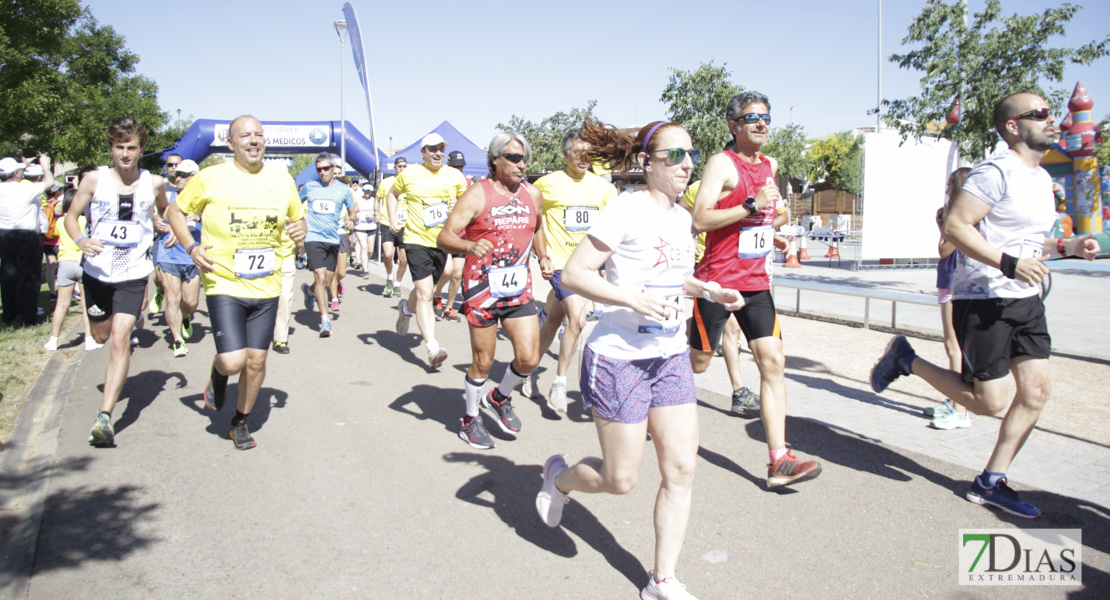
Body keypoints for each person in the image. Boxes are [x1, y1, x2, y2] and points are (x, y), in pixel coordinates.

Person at [536, 119, 741, 600]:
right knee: (620, 478)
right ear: (648, 163)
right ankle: (559, 479)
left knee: (681, 469)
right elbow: (575, 272)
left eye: (691, 155)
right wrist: (630, 300)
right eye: (674, 156)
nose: (686, 164)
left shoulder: (681, 216)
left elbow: (672, 277)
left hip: (668, 357)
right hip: (619, 359)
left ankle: (661, 580)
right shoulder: (624, 209)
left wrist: (707, 288)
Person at [870, 92, 1100, 519]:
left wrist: (1067, 245)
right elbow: (956, 227)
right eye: (1041, 114)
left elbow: (1030, 243)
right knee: (988, 402)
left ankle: (991, 481)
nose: (1052, 121)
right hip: (985, 300)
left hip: (1025, 300)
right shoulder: (995, 173)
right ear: (1014, 126)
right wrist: (1009, 263)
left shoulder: (1039, 178)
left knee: (1036, 392)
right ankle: (906, 359)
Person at [688, 91, 822, 489]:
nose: (761, 124)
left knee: (773, 361)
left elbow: (770, 211)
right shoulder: (721, 164)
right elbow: (699, 219)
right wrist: (750, 205)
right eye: (751, 118)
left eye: (766, 117)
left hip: (757, 283)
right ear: (734, 125)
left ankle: (778, 459)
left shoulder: (770, 165)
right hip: (716, 282)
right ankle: (652, 384)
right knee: (697, 363)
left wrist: (769, 230)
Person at [166, 115, 306, 450]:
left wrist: (300, 230)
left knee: (256, 360)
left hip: (266, 285)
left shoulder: (282, 179)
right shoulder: (210, 177)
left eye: (259, 135)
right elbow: (175, 212)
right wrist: (191, 246)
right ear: (231, 144)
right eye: (245, 136)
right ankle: (218, 373)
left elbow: (297, 218)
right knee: (232, 361)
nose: (254, 140)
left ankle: (240, 421)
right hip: (225, 282)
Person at [437, 132, 552, 449]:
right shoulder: (477, 195)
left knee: (529, 358)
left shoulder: (534, 194)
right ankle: (469, 420)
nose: (521, 164)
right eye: (514, 158)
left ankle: (499, 396)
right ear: (495, 160)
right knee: (483, 363)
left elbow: (537, 226)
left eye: (524, 158)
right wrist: (469, 244)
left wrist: (542, 255)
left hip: (518, 290)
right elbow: (444, 237)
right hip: (482, 290)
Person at [64, 116, 168, 446]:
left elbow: (166, 212)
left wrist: (164, 226)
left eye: (132, 148)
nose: (125, 154)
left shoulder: (154, 183)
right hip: (97, 272)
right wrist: (81, 241)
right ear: (111, 147)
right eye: (120, 147)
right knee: (102, 333)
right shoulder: (94, 180)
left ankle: (105, 417)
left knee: (120, 340)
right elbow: (70, 217)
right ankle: (104, 336)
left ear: (141, 150)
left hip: (133, 273)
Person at [525, 129, 617, 412]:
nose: (584, 159)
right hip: (560, 264)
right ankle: (560, 383)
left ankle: (527, 369)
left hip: (586, 265)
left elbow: (612, 225)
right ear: (565, 153)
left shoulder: (603, 187)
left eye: (589, 154)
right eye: (578, 153)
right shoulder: (546, 184)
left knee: (553, 319)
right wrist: (540, 254)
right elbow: (534, 221)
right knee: (576, 320)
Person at [679, 179, 760, 417]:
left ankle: (738, 392)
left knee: (730, 329)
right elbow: (681, 212)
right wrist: (689, 239)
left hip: (735, 267)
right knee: (709, 346)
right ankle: (667, 361)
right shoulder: (700, 187)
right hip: (709, 267)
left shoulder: (750, 187)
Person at [387, 133, 468, 368]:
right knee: (425, 292)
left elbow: (466, 204)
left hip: (442, 241)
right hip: (416, 240)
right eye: (432, 149)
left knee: (438, 280)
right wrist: (393, 219)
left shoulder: (455, 176)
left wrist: (459, 210)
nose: (438, 153)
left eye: (441, 149)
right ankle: (432, 347)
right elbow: (393, 194)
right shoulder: (409, 174)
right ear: (422, 153)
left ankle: (406, 308)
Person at [925, 166, 973, 429]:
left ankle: (961, 410)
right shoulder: (964, 215)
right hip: (951, 282)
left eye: (949, 185)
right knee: (952, 345)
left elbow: (945, 249)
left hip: (954, 283)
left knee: (954, 346)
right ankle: (954, 401)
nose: (946, 190)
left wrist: (943, 225)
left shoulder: (959, 217)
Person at [299, 152, 356, 337]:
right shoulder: (309, 187)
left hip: (333, 239)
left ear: (333, 169)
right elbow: (294, 204)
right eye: (319, 169)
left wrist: (351, 220)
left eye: (325, 168)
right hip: (313, 238)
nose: (322, 172)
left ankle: (309, 291)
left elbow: (353, 212)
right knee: (321, 277)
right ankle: (324, 320)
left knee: (328, 280)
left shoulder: (344, 190)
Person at [154, 159, 203, 357]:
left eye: (183, 175)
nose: (178, 178)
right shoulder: (167, 196)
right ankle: (177, 340)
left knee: (190, 302)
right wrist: (156, 219)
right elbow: (153, 212)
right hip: (169, 253)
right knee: (173, 298)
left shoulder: (204, 198)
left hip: (192, 255)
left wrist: (201, 217)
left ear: (194, 178)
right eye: (176, 174)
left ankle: (185, 316)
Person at [0, 155, 54, 326]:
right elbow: (50, 183)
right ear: (16, 174)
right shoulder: (25, 189)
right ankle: (28, 316)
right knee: (28, 277)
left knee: (9, 276)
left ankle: (9, 314)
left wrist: (25, 164)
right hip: (25, 236)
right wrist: (45, 166)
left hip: (4, 235)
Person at [43, 187, 99, 351]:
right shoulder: (85, 221)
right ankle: (89, 339)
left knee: (61, 304)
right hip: (82, 262)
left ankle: (53, 340)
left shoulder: (61, 221)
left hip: (65, 263)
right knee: (85, 303)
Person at [434, 149, 471, 322]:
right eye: (455, 167)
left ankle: (449, 308)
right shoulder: (441, 181)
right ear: (448, 166)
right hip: (444, 235)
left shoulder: (469, 183)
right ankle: (437, 293)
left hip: (462, 237)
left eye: (461, 167)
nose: (458, 171)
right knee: (447, 271)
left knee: (457, 274)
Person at [377, 157, 409, 296]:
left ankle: (397, 283)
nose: (402, 169)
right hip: (387, 223)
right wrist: (376, 213)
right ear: (394, 168)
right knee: (388, 254)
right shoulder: (386, 182)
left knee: (404, 259)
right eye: (399, 166)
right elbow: (377, 199)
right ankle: (389, 277)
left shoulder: (410, 183)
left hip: (405, 225)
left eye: (404, 166)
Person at [352, 183, 377, 279]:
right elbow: (353, 212)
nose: (367, 193)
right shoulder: (358, 201)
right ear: (363, 191)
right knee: (364, 247)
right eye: (366, 190)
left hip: (371, 226)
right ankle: (365, 270)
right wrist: (356, 216)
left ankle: (365, 261)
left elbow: (379, 213)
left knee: (370, 250)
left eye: (369, 191)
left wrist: (374, 216)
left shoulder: (374, 201)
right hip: (360, 226)